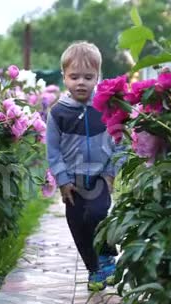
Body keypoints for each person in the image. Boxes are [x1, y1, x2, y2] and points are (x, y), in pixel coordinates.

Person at [45, 41, 122, 291]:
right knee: (78, 225)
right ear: (64, 77)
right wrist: (62, 180)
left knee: (98, 215)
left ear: (98, 76)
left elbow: (120, 141)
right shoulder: (58, 113)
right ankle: (94, 270)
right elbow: (53, 150)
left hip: (100, 176)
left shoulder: (106, 107)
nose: (81, 82)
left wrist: (111, 173)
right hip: (73, 180)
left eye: (88, 77)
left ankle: (107, 256)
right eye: (74, 76)